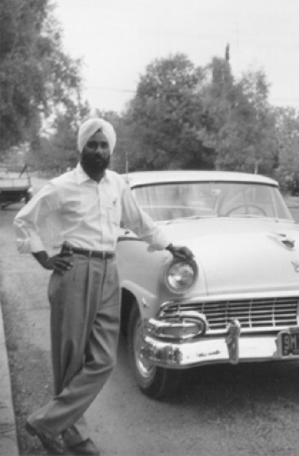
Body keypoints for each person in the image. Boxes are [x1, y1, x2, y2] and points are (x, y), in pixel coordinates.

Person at [14, 118, 193, 456]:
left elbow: (140, 221)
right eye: (92, 144)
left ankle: (47, 421)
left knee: (104, 360)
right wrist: (44, 258)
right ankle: (73, 435)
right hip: (75, 270)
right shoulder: (61, 186)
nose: (98, 150)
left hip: (110, 269)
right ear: (81, 148)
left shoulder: (117, 185)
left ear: (111, 149)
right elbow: (24, 220)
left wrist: (170, 246)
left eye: (103, 145)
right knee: (70, 360)